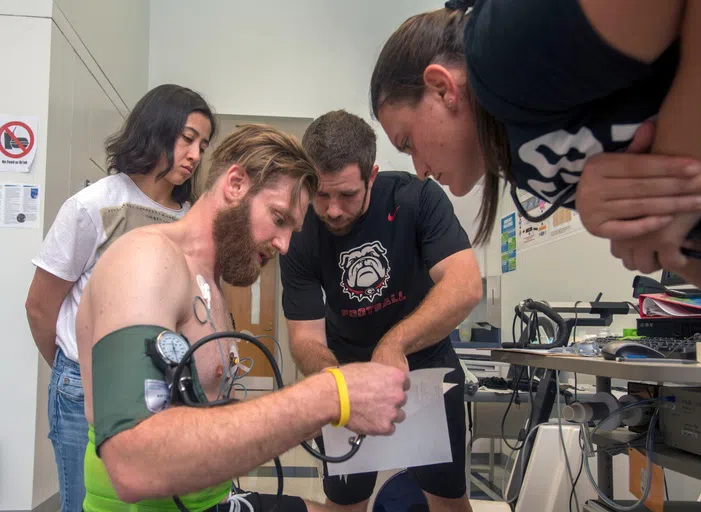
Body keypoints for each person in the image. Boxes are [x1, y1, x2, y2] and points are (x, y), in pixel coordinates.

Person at [75, 123, 409, 511]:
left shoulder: (211, 287)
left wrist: (307, 418)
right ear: (235, 184)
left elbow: (207, 419)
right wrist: (330, 394)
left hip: (212, 499)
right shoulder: (145, 259)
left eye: (293, 230)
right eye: (279, 218)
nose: (285, 245)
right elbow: (132, 462)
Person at [370, 0, 701, 284]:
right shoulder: (520, 160)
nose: (420, 171)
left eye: (408, 142)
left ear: (442, 89)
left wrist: (679, 164)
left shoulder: (501, 56)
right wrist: (655, 238)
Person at [25, 83, 216, 512]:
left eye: (203, 145)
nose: (195, 156)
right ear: (156, 128)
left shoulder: (188, 219)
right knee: (84, 503)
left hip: (159, 391)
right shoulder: (92, 206)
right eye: (187, 139)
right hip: (82, 388)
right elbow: (39, 306)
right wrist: (73, 372)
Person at [280, 110, 482, 512]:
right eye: (322, 195)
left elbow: (465, 285)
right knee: (346, 503)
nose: (333, 210)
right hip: (346, 374)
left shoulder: (417, 198)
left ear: (371, 176)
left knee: (447, 500)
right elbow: (304, 339)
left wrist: (395, 344)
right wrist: (337, 384)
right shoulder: (300, 230)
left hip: (425, 368)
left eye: (347, 195)